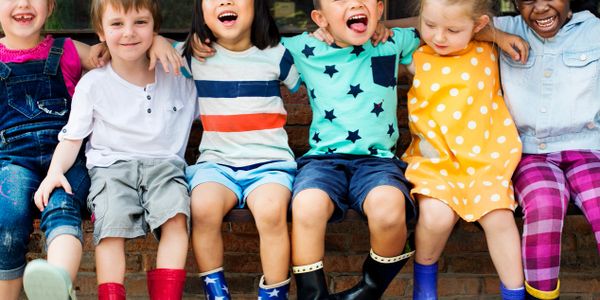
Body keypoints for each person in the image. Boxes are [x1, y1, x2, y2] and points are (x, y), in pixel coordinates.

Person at [33, 0, 197, 299]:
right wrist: (54, 172)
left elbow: (209, 41)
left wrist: (164, 42)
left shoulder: (178, 72)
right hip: (110, 169)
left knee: (176, 218)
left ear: (155, 28)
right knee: (111, 230)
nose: (129, 33)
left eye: (141, 23)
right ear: (100, 32)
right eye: (117, 24)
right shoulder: (94, 83)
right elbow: (73, 138)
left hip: (165, 166)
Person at [278, 0, 423, 299]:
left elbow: (438, 22)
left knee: (389, 211)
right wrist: (165, 42)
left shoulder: (391, 41)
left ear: (380, 8)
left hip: (377, 162)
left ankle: (370, 288)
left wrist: (388, 26)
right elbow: (243, 41)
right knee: (306, 206)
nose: (355, 2)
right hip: (323, 161)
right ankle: (312, 294)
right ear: (319, 18)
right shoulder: (303, 48)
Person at [398, 0, 527, 298]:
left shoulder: (490, 52)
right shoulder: (415, 57)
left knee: (500, 219)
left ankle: (515, 294)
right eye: (429, 26)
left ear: (479, 26)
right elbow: (387, 32)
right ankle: (424, 289)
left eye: (453, 30)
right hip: (435, 164)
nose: (439, 37)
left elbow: (493, 32)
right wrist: (381, 27)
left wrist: (498, 37)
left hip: (486, 162)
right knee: (435, 218)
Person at [179, 0, 300, 299]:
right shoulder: (192, 56)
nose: (225, 1)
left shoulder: (277, 55)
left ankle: (274, 293)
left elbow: (307, 79)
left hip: (270, 164)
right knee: (202, 208)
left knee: (272, 212)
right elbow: (146, 44)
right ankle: (216, 292)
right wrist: (158, 41)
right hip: (217, 164)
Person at [492, 1, 600, 298]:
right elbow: (447, 21)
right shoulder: (505, 28)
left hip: (587, 150)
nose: (540, 8)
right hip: (530, 154)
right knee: (544, 203)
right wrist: (496, 36)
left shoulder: (594, 31)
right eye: (527, 0)